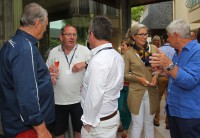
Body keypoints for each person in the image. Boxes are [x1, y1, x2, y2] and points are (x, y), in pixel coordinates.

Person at [0, 3, 54, 138]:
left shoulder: (11, 43)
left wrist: (43, 76)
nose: (45, 29)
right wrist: (40, 128)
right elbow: (26, 94)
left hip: (14, 122)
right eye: (45, 25)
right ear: (37, 23)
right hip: (27, 128)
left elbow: (17, 80)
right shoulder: (25, 48)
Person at [150, 19, 200, 138]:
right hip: (174, 110)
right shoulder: (177, 52)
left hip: (189, 115)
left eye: (168, 36)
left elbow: (190, 81)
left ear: (176, 35)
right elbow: (175, 74)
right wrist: (160, 71)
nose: (167, 39)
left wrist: (169, 64)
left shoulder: (197, 51)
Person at [81, 16, 124, 138]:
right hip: (111, 116)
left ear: (91, 34)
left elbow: (95, 96)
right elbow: (118, 86)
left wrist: (87, 123)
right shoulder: (117, 56)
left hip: (98, 124)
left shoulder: (98, 61)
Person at [46, 25, 91, 138]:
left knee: (80, 130)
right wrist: (49, 73)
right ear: (61, 37)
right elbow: (46, 71)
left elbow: (96, 65)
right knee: (59, 131)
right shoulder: (53, 52)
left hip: (79, 99)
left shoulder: (85, 50)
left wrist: (85, 64)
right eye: (69, 34)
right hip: (59, 100)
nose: (72, 37)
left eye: (74, 34)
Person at [124, 23, 159, 138]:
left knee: (149, 123)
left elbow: (158, 68)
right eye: (141, 34)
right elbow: (124, 75)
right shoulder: (128, 53)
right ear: (134, 36)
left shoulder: (153, 48)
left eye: (146, 34)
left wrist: (155, 76)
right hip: (135, 92)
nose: (145, 37)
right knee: (138, 124)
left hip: (152, 91)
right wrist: (138, 78)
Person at [153, 33, 175, 129]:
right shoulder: (175, 50)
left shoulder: (159, 50)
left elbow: (155, 65)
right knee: (169, 99)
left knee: (157, 98)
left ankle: (157, 119)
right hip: (172, 77)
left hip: (161, 76)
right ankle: (168, 122)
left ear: (162, 41)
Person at [118, 38, 132, 138]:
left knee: (126, 108)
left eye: (124, 45)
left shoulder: (133, 58)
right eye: (121, 45)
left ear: (129, 47)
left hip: (129, 87)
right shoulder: (119, 57)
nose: (122, 47)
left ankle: (126, 128)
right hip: (119, 87)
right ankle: (123, 124)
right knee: (119, 107)